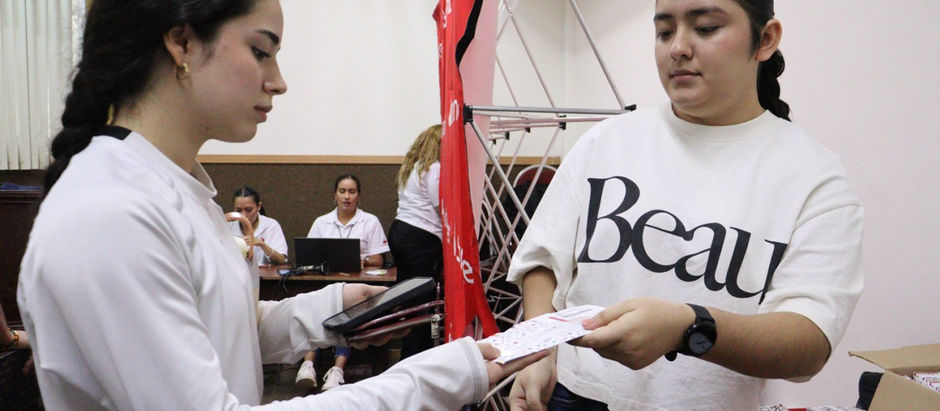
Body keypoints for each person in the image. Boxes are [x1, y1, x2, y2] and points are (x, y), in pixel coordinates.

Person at [16, 1, 544, 409]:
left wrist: (338, 309)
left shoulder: (180, 190)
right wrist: (438, 377)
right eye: (261, 51)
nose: (279, 81)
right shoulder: (112, 212)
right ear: (182, 42)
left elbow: (223, 330)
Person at [506, 0, 864, 410]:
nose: (678, 47)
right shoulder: (606, 142)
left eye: (706, 28)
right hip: (575, 395)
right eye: (664, 32)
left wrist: (690, 326)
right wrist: (537, 351)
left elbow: (808, 341)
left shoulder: (815, 177)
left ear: (765, 40)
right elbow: (543, 261)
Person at [296, 173, 391, 390]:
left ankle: (337, 370)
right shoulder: (322, 222)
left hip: (355, 289)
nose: (347, 196)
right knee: (317, 309)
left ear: (359, 196)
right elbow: (308, 255)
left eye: (351, 191)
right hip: (324, 285)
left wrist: (362, 259)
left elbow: (379, 258)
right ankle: (308, 364)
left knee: (342, 311)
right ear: (334, 195)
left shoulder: (370, 221)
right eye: (342, 191)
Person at [388, 124, 443, 359]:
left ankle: (406, 358)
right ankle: (417, 359)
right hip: (422, 238)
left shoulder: (412, 168)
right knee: (422, 305)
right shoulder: (435, 168)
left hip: (400, 232)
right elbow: (441, 206)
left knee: (408, 302)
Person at [229, 185, 288, 268]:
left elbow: (282, 260)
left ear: (259, 206)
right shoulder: (228, 227)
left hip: (265, 278)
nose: (243, 215)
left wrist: (262, 244)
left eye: (248, 210)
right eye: (238, 210)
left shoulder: (270, 226)